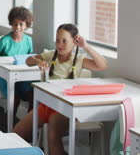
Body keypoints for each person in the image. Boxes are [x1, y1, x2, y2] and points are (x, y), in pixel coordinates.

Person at [13, 24, 108, 155]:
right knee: (16, 133)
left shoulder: (79, 60)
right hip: (47, 105)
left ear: (74, 42)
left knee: (53, 136)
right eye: (57, 40)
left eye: (64, 41)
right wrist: (37, 61)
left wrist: (85, 46)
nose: (60, 44)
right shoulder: (51, 55)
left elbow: (102, 65)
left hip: (65, 109)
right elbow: (28, 61)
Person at [0, 6, 34, 115]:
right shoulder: (4, 41)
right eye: (15, 24)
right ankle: (9, 124)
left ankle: (29, 126)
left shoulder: (28, 40)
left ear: (26, 25)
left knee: (33, 96)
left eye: (21, 24)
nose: (18, 27)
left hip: (22, 78)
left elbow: (29, 59)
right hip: (5, 78)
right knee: (15, 98)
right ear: (11, 23)